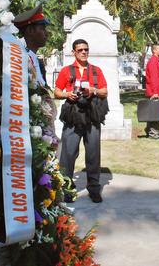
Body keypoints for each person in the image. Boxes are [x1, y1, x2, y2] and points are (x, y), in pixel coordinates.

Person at [55, 39, 108, 203]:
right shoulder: (66, 71)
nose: (84, 52)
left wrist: (94, 90)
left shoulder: (96, 71)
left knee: (93, 153)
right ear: (74, 52)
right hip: (73, 114)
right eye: (80, 50)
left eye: (86, 49)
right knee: (68, 153)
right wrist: (67, 94)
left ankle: (94, 189)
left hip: (92, 114)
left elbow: (105, 91)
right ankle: (67, 190)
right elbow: (56, 91)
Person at [13, 4, 49, 87]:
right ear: (30, 31)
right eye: (42, 29)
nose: (46, 33)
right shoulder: (19, 59)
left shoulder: (34, 58)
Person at [144, 44, 159, 139]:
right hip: (155, 92)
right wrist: (155, 93)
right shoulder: (153, 61)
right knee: (155, 113)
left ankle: (150, 131)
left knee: (153, 112)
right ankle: (154, 133)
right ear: (154, 51)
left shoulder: (156, 61)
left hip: (156, 91)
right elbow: (153, 79)